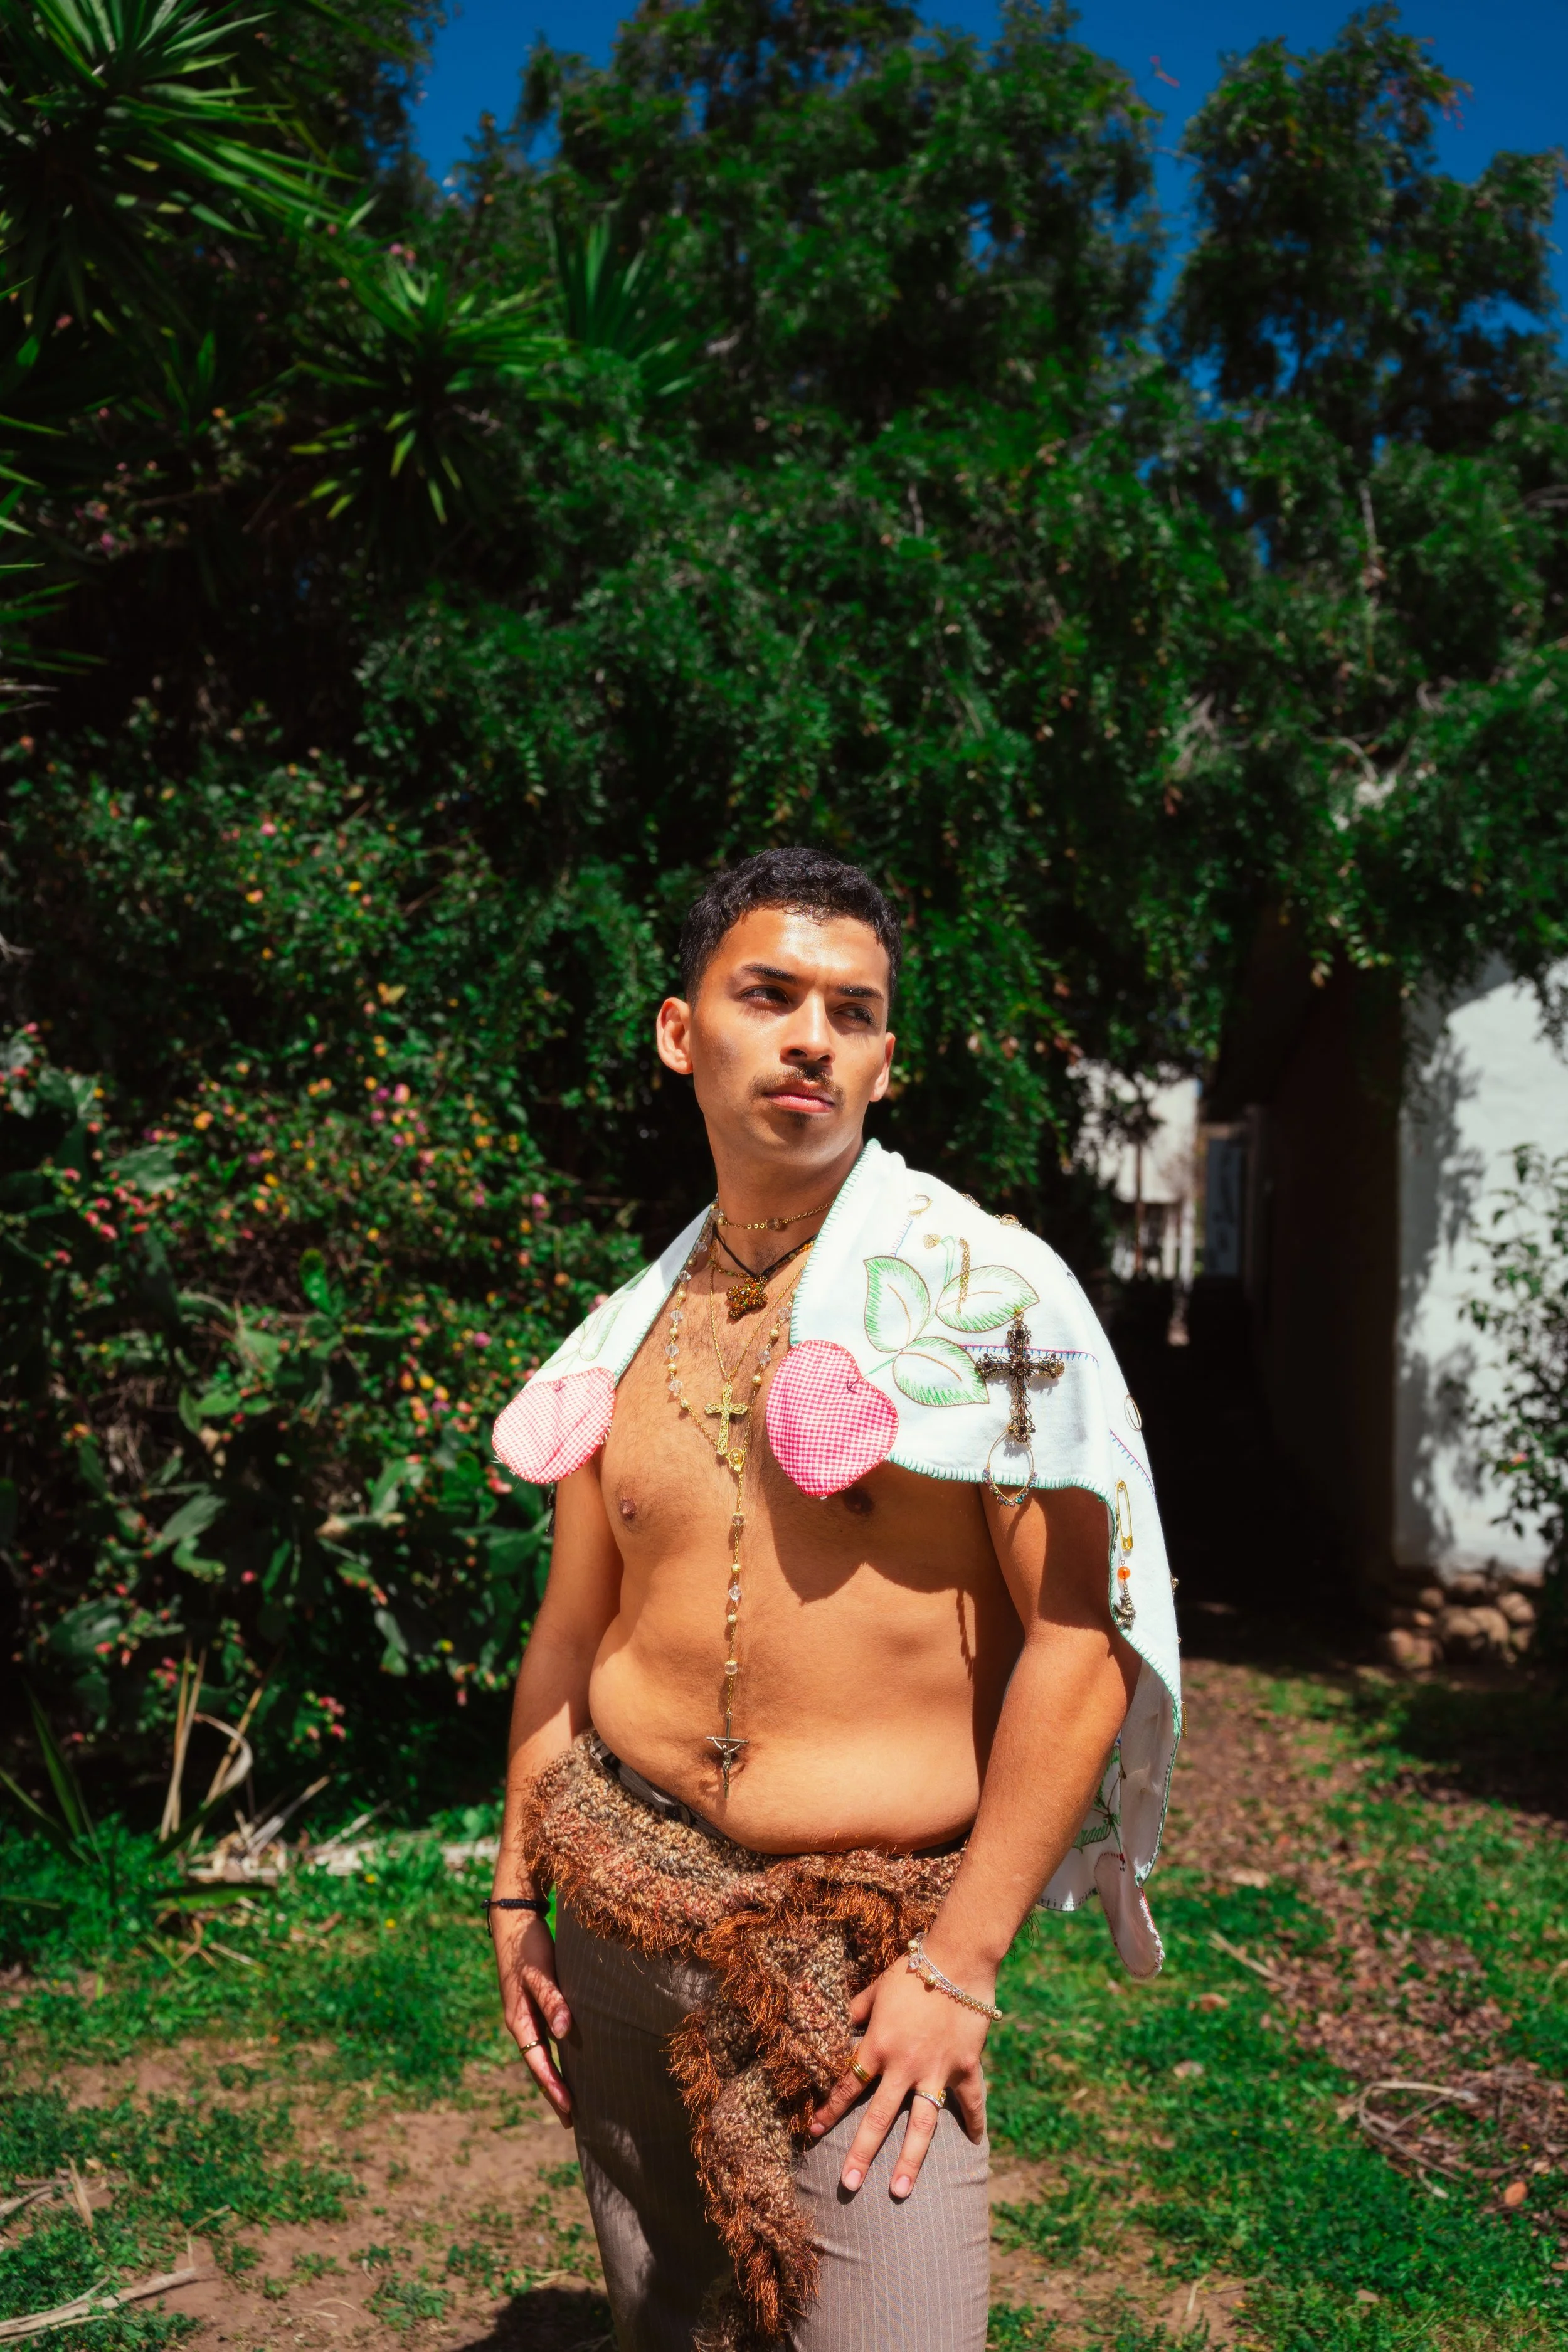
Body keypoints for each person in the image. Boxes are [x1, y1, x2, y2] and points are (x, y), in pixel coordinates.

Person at [486, 848, 1180, 2352]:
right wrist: (513, 1885)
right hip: (618, 1916)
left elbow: (1084, 1638)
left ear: (884, 1059)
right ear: (683, 1033)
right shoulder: (619, 1338)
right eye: (769, 994)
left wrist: (960, 1966)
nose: (810, 1035)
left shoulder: (986, 1303)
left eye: (849, 1011)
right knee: (662, 2321)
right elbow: (569, 1637)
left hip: (864, 1968)